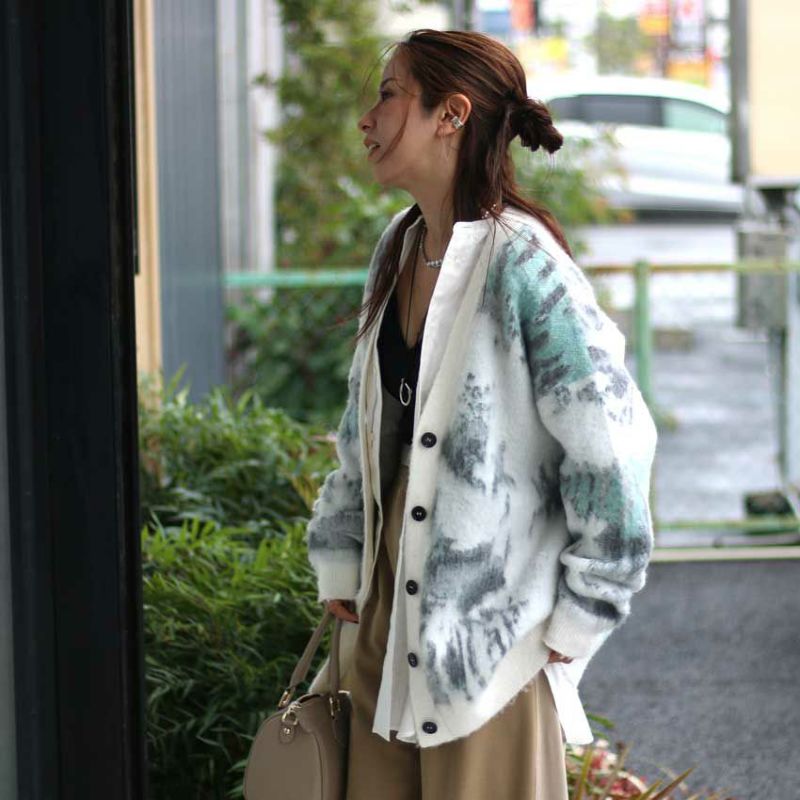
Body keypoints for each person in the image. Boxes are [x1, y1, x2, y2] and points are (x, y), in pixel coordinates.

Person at [304, 28, 658, 800]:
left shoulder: (526, 267)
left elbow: (611, 444)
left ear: (451, 114)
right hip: (384, 608)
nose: (367, 118)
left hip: (486, 637)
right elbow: (366, 421)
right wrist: (344, 547)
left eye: (389, 95)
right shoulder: (400, 247)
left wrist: (584, 608)